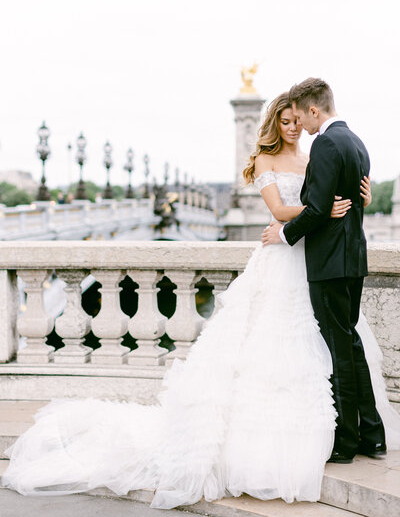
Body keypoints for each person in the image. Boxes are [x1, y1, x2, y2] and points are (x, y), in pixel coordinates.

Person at [3, 91, 399, 510]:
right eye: (284, 122)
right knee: (283, 347)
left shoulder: (317, 153)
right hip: (286, 254)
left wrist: (356, 200)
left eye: (295, 120)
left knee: (324, 348)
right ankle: (323, 438)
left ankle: (342, 433)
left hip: (314, 258)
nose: (293, 127)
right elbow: (283, 209)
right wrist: (316, 211)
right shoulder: (267, 162)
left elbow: (336, 194)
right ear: (272, 125)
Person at [261, 78, 388, 463]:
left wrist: (283, 235)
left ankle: (347, 441)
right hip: (352, 259)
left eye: (300, 116)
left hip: (329, 262)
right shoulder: (356, 141)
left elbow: (318, 209)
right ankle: (372, 434)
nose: (299, 125)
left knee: (339, 349)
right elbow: (353, 200)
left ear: (314, 110)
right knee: (350, 344)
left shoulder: (326, 143)